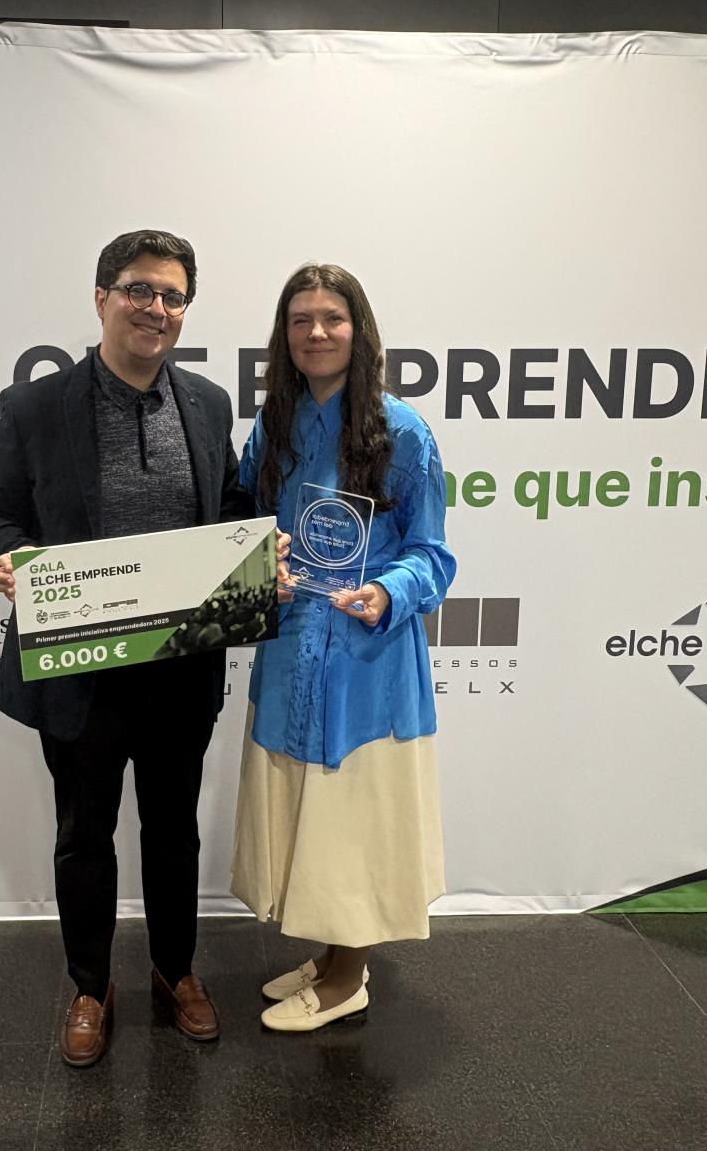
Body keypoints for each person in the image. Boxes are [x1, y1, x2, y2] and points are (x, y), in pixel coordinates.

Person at [0, 230, 252, 1066]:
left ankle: (176, 972)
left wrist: (257, 554)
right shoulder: (36, 407)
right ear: (102, 298)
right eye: (138, 290)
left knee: (173, 832)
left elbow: (231, 506)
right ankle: (90, 986)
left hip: (183, 664)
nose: (155, 308)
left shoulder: (209, 404)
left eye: (172, 295)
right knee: (83, 835)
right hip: (79, 669)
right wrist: (10, 557)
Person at [230, 263, 456, 1032]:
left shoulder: (404, 431)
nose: (316, 332)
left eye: (332, 318)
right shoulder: (274, 427)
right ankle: (329, 956)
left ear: (359, 330)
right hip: (292, 647)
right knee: (309, 813)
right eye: (301, 320)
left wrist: (388, 591)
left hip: (366, 658)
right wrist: (262, 568)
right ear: (284, 336)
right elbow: (244, 525)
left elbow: (432, 554)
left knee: (353, 822)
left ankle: (349, 978)